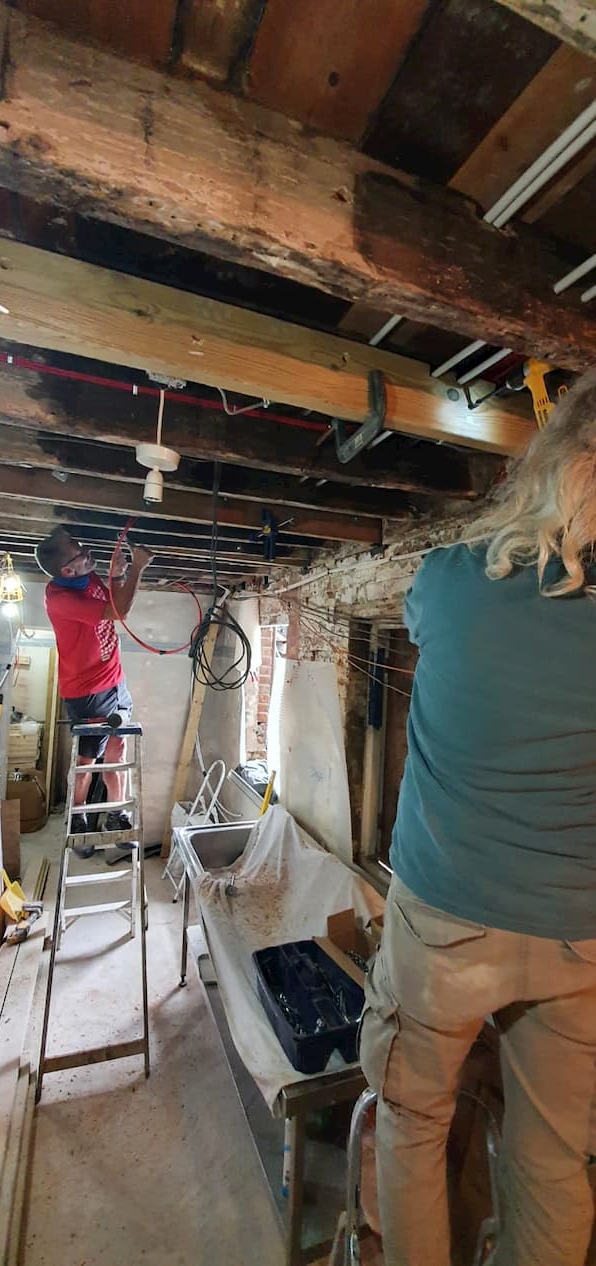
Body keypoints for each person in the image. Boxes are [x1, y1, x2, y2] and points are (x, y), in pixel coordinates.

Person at [359, 369, 596, 1266]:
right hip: (580, 938)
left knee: (414, 1122)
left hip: (447, 926)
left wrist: (509, 531)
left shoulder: (453, 580)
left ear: (547, 465)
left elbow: (425, 618)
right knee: (551, 1159)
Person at [35, 526, 153, 858]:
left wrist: (117, 576)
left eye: (82, 546)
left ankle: (116, 815)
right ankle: (79, 819)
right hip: (86, 692)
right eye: (79, 552)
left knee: (118, 748)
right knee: (88, 760)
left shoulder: (86, 578)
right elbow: (119, 612)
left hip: (115, 682)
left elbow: (112, 600)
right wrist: (140, 568)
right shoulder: (61, 598)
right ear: (66, 570)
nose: (88, 554)